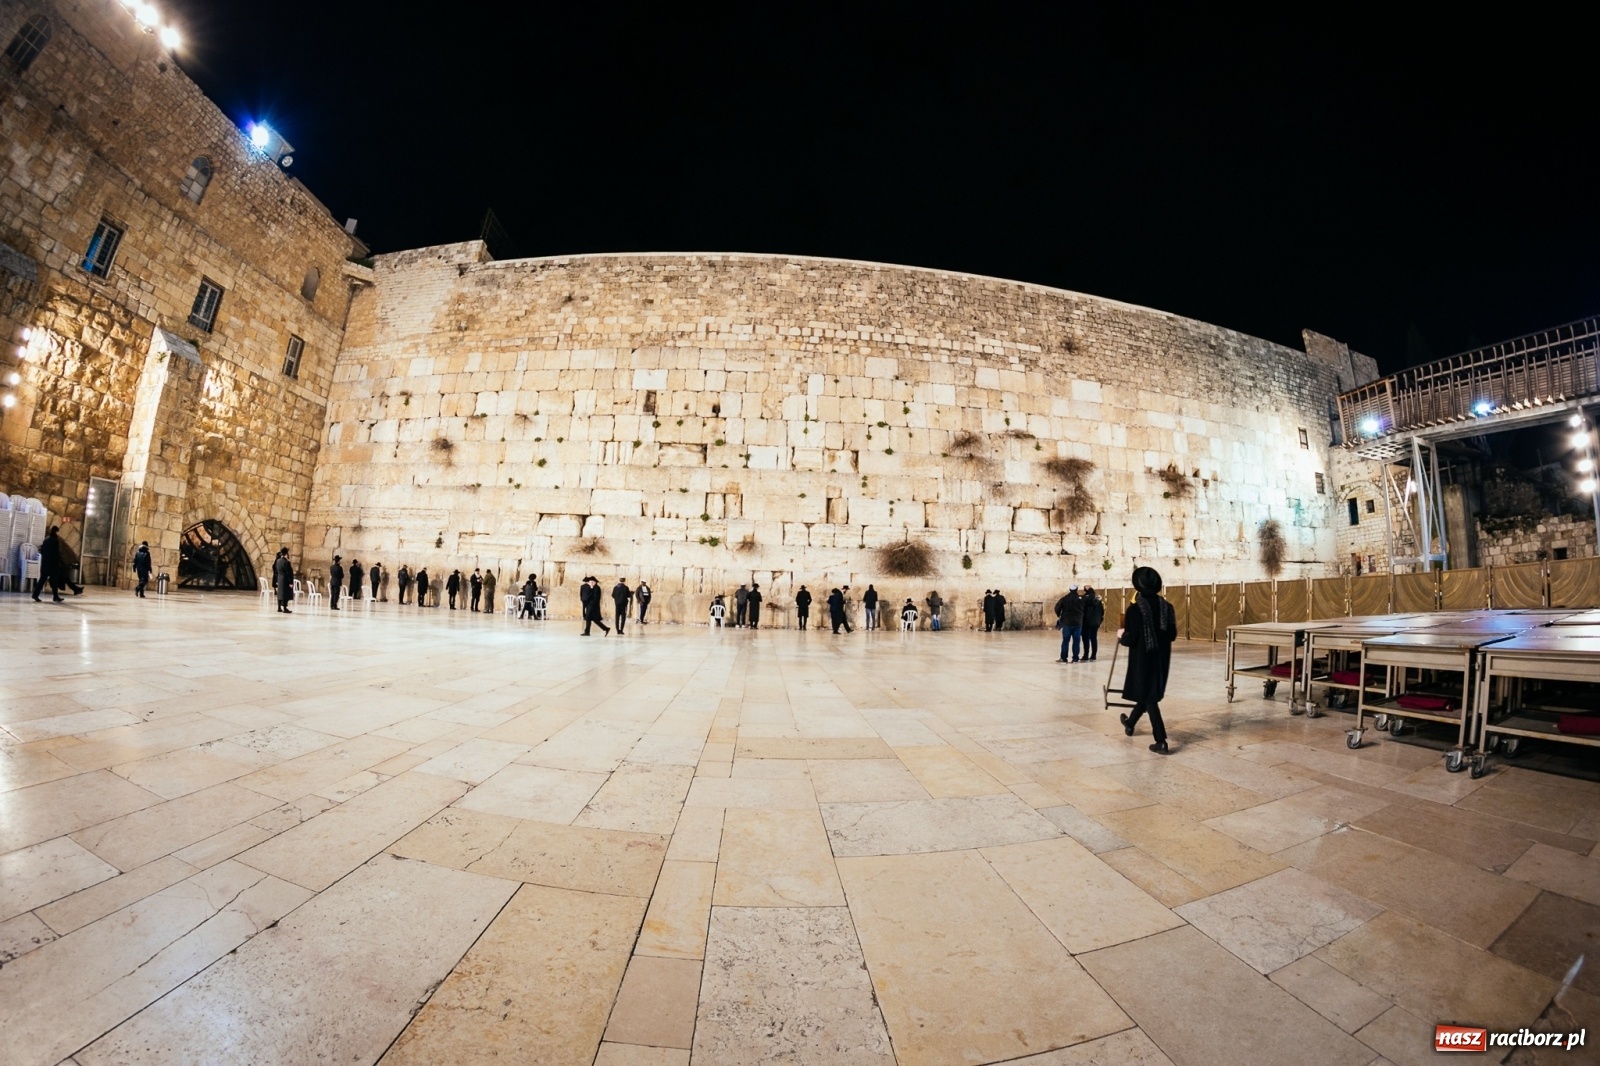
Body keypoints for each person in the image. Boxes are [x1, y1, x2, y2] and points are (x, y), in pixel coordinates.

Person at [1119, 566, 1179, 755]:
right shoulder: (1167, 607)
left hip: (1143, 658)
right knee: (1148, 693)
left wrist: (1121, 636)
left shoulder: (1135, 610)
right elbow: (1172, 635)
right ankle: (1130, 723)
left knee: (1150, 697)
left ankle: (1160, 740)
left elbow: (1132, 639)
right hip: (1161, 658)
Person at [1055, 586, 1085, 663]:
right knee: (1076, 641)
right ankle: (1075, 658)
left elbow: (1057, 608)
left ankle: (1063, 658)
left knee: (1065, 641)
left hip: (1067, 622)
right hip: (1078, 623)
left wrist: (1060, 616)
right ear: (1077, 589)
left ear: (1070, 590)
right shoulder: (1081, 599)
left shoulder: (1064, 599)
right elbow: (1085, 609)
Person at [1082, 585, 1104, 662]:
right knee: (1093, 639)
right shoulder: (1098, 601)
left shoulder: (1085, 599)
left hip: (1086, 623)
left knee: (1085, 639)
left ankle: (1085, 655)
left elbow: (1082, 611)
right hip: (1095, 623)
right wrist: (1099, 621)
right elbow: (1102, 612)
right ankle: (1093, 656)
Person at [272, 547, 294, 613]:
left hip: (279, 578)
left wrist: (276, 580)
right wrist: (290, 582)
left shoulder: (278, 561)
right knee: (285, 594)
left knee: (280, 593)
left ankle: (279, 607)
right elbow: (288, 572)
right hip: (285, 580)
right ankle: (284, 608)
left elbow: (276, 571)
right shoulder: (286, 562)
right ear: (286, 554)